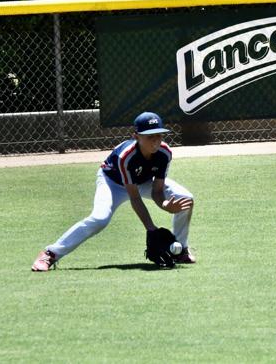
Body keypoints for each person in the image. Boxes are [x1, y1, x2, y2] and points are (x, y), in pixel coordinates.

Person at [32, 111, 196, 272]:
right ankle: (51, 253)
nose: (155, 141)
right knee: (99, 218)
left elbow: (157, 191)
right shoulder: (125, 156)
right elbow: (135, 198)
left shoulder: (164, 153)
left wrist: (166, 204)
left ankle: (180, 250)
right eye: (149, 136)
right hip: (113, 183)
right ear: (136, 136)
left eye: (159, 135)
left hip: (144, 180)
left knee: (185, 198)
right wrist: (151, 229)